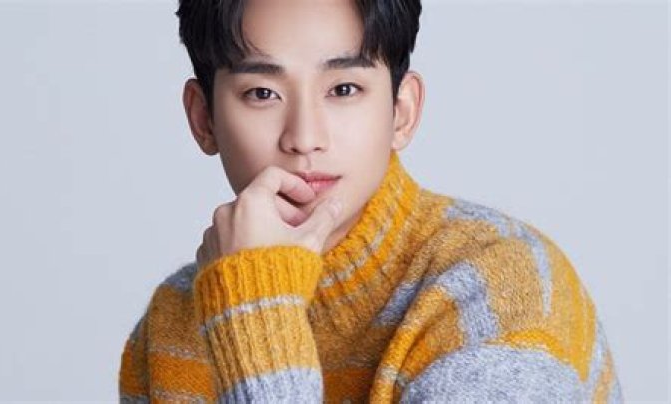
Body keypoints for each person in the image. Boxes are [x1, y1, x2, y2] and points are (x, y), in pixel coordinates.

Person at [118, 0, 623, 402]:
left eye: (343, 88)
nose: (305, 138)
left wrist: (255, 311)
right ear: (203, 119)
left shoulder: (502, 288)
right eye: (262, 94)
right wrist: (247, 292)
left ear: (402, 112)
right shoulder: (174, 322)